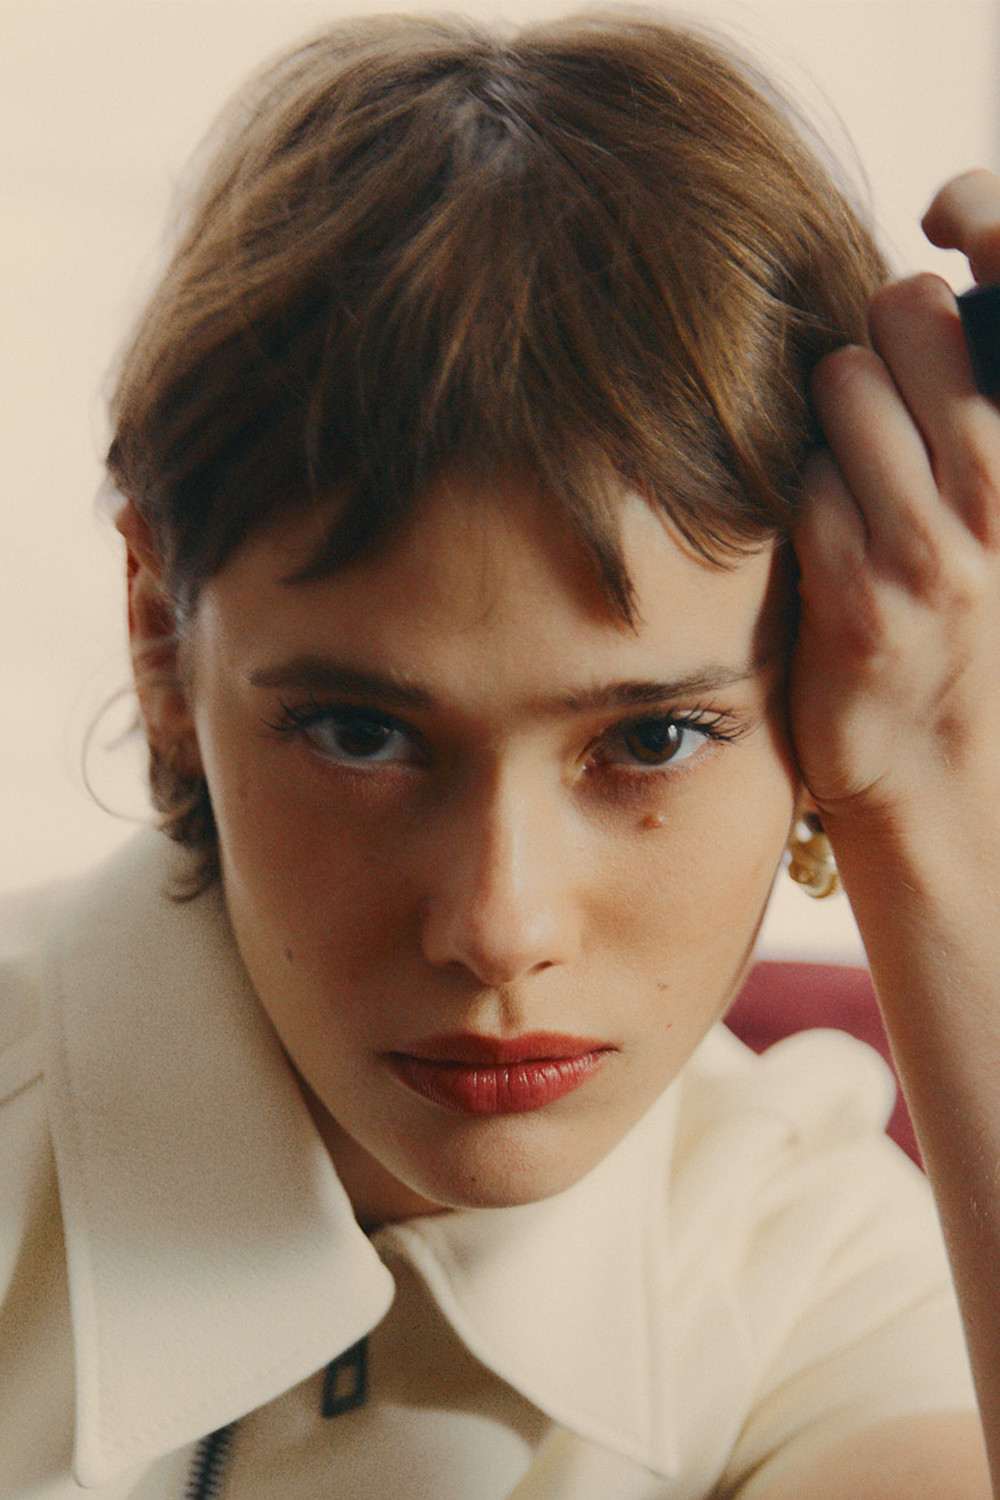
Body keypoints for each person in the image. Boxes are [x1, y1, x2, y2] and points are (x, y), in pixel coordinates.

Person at [2, 9, 999, 1497]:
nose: (498, 926)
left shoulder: (808, 1277)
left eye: (653, 737)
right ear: (161, 638)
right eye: (361, 733)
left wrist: (943, 798)